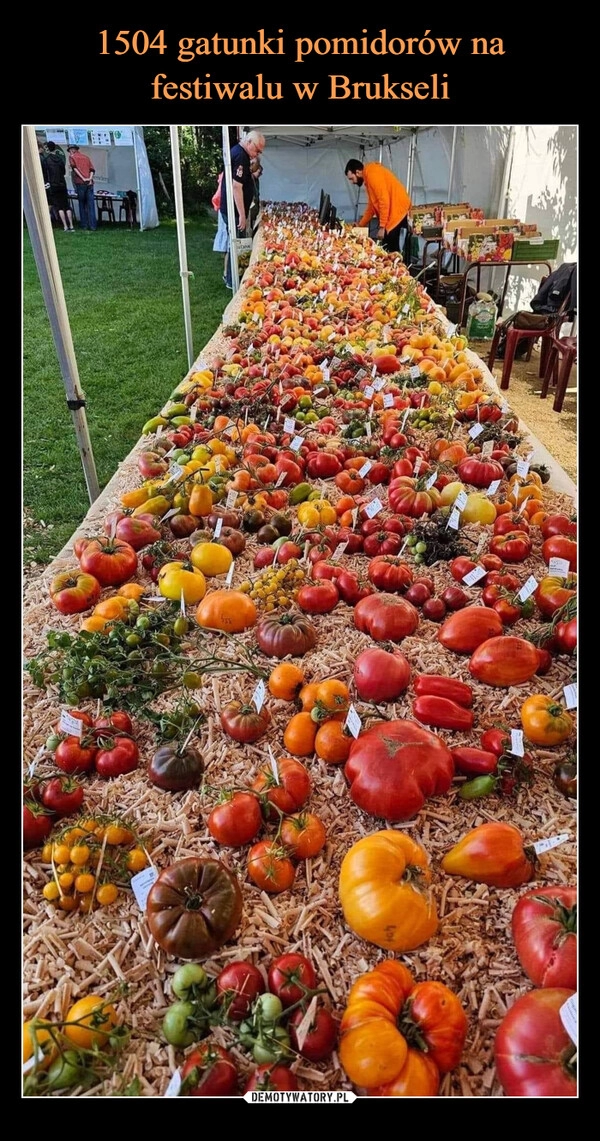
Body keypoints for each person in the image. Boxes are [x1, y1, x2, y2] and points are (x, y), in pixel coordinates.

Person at [219, 130, 266, 289]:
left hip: (232, 209)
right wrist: (241, 214)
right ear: (249, 142)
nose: (257, 154)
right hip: (232, 210)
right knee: (236, 244)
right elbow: (236, 187)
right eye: (257, 150)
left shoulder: (241, 154)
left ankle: (231, 278)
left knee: (235, 243)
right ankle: (233, 281)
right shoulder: (240, 156)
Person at [345, 159, 411, 255]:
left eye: (351, 178)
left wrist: (382, 227)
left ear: (358, 172)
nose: (352, 182)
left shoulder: (372, 174)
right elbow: (371, 207)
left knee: (390, 248)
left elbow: (384, 200)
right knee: (387, 247)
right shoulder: (368, 177)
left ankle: (397, 267)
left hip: (397, 210)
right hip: (394, 209)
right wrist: (360, 225)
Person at [43, 141, 74, 232]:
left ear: (47, 149)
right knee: (67, 206)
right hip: (62, 184)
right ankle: (71, 226)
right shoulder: (60, 159)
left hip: (53, 185)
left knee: (59, 207)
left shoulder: (46, 160)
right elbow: (63, 172)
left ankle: (65, 226)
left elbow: (45, 173)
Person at [67, 144, 97, 231]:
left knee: (82, 204)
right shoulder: (86, 157)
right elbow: (92, 170)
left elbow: (74, 169)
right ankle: (93, 225)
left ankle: (84, 224)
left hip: (80, 183)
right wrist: (89, 179)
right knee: (91, 205)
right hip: (90, 183)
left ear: (72, 150)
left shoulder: (72, 157)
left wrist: (83, 178)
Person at [211, 171, 229, 279]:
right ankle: (226, 273)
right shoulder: (228, 175)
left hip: (223, 209)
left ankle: (226, 272)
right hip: (225, 211)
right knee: (228, 244)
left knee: (227, 244)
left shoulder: (225, 175)